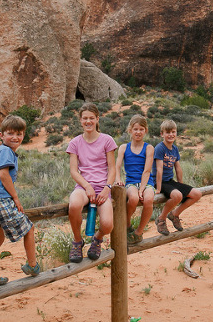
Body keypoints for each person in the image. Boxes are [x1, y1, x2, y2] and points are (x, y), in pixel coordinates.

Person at [0, 114, 39, 287]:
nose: (15, 137)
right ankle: (32, 265)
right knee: (29, 228)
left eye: (19, 134)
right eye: (11, 133)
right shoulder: (6, 151)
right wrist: (15, 198)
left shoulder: (5, 151)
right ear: (1, 135)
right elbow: (4, 175)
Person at [67, 102, 117, 262]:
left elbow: (112, 168)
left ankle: (97, 239)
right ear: (80, 121)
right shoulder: (74, 143)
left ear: (97, 119)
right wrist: (87, 186)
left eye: (91, 118)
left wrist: (106, 189)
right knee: (74, 204)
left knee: (108, 225)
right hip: (83, 187)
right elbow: (74, 171)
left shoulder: (107, 140)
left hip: (103, 188)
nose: (88, 121)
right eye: (84, 118)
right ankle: (77, 241)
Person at [154, 119, 202, 235]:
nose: (171, 135)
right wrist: (158, 189)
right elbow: (159, 170)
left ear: (176, 133)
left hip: (170, 181)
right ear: (162, 134)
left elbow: (178, 168)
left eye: (173, 132)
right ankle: (161, 218)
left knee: (197, 194)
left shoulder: (174, 149)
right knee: (177, 195)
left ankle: (175, 214)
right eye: (168, 132)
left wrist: (180, 184)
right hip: (159, 181)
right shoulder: (160, 148)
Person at [115, 114, 156, 245]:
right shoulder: (123, 147)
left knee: (148, 199)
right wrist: (117, 179)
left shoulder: (149, 148)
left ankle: (138, 232)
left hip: (146, 182)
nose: (138, 132)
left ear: (146, 131)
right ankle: (127, 225)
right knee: (133, 198)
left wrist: (142, 189)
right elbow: (117, 166)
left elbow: (147, 170)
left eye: (141, 129)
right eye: (135, 129)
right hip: (131, 182)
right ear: (130, 130)